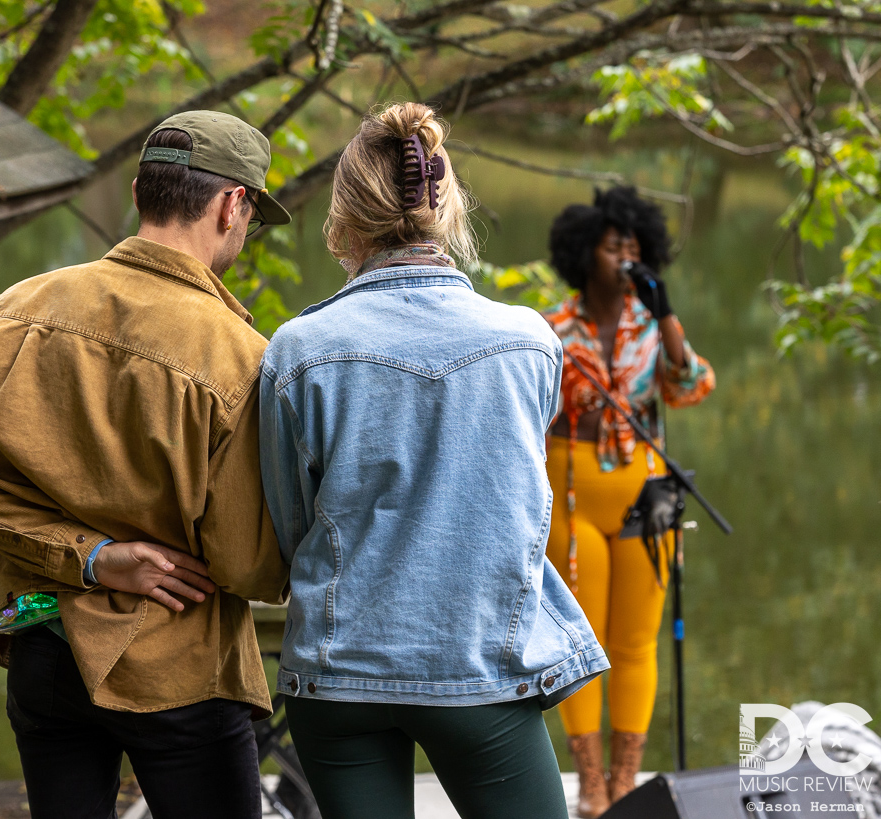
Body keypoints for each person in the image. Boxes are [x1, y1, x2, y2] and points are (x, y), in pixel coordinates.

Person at [0, 111, 292, 819]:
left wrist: (96, 557)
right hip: (179, 665)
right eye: (251, 214)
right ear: (232, 205)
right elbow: (247, 563)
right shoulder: (241, 357)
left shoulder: (19, 308)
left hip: (41, 643)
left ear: (138, 191)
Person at [258, 102, 609, 819]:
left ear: (344, 221)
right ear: (449, 209)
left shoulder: (297, 348)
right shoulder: (531, 340)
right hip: (481, 663)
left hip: (340, 669)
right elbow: (512, 493)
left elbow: (289, 527)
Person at [543, 187, 715, 816]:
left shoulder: (652, 325)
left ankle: (626, 780)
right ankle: (589, 782)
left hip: (647, 495)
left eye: (634, 248)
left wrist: (664, 312)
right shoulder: (553, 328)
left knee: (637, 641)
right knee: (581, 638)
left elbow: (690, 385)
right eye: (614, 246)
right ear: (585, 252)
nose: (624, 257)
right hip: (572, 494)